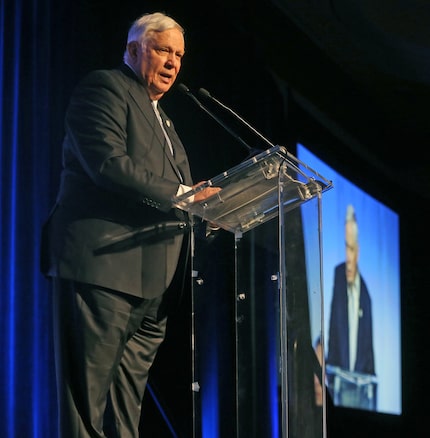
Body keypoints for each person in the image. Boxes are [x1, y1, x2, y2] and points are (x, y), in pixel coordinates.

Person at [40, 12, 219, 438]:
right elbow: (107, 164)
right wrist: (185, 196)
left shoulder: (166, 120)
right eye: (163, 50)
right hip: (104, 269)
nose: (173, 62)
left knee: (125, 415)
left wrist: (208, 211)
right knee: (86, 407)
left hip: (153, 288)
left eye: (179, 54)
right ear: (135, 49)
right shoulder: (104, 89)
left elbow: (177, 193)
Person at [326, 204, 375, 376]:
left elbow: (369, 351)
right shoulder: (338, 275)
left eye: (352, 249)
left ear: (358, 252)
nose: (348, 257)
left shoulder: (366, 297)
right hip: (336, 382)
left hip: (358, 387)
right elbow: (333, 334)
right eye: (346, 247)